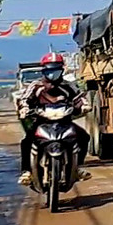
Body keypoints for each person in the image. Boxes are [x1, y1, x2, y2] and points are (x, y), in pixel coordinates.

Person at [18, 52, 91, 187]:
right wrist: (24, 108)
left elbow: (79, 98)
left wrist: (84, 105)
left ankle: (78, 167)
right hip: (42, 122)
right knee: (26, 141)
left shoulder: (69, 86)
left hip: (64, 121)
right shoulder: (36, 86)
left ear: (62, 70)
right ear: (44, 70)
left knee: (84, 137)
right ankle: (27, 171)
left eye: (56, 69)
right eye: (49, 69)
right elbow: (24, 99)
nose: (53, 73)